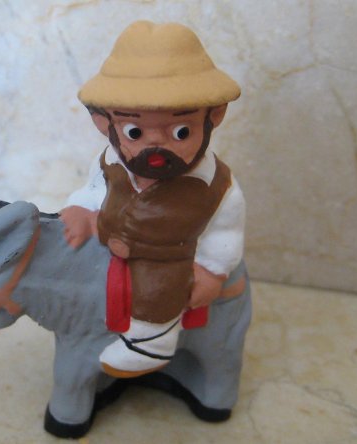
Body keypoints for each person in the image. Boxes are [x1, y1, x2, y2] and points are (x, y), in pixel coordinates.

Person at [60, 20, 245, 378]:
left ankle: (151, 343)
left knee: (160, 287)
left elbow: (226, 231)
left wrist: (212, 270)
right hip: (109, 241)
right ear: (103, 122)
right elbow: (94, 190)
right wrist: (81, 207)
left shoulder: (217, 186)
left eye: (181, 131)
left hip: (169, 258)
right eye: (134, 131)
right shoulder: (110, 163)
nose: (156, 145)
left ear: (214, 116)